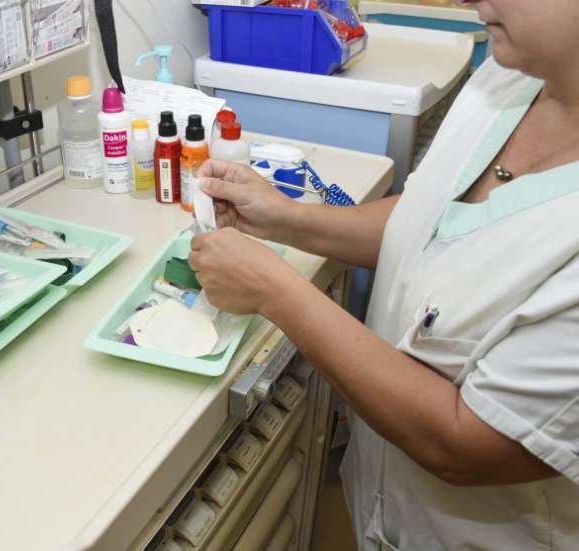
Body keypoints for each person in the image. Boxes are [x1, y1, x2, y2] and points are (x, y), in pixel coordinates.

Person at [188, 1, 579, 549]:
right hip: (384, 498)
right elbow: (433, 224)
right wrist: (287, 219)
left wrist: (273, 290)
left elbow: (467, 443)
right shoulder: (510, 74)